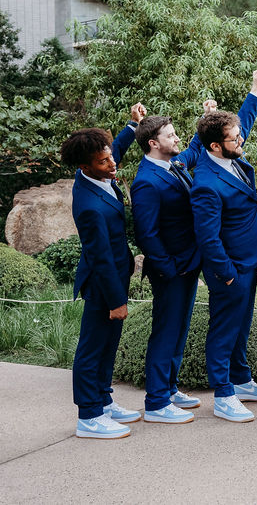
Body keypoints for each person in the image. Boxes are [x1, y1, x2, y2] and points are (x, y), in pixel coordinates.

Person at [131, 97, 223, 425]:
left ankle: (169, 387)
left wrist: (208, 116)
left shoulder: (174, 165)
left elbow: (197, 146)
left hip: (188, 263)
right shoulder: (145, 182)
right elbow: (147, 233)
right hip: (170, 269)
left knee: (180, 328)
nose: (177, 139)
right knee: (166, 331)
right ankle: (156, 402)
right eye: (171, 136)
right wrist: (168, 267)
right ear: (154, 143)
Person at [191, 69, 257, 422]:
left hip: (249, 259)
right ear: (214, 146)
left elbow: (241, 125)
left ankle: (241, 379)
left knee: (242, 324)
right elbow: (208, 237)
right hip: (229, 267)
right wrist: (224, 274)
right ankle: (223, 394)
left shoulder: (232, 158)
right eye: (234, 138)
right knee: (224, 328)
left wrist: (255, 92)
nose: (241, 140)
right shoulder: (206, 183)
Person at [64, 103, 145, 439]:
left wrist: (132, 124)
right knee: (93, 346)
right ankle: (89, 415)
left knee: (109, 344)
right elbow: (99, 258)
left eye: (111, 157)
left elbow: (116, 150)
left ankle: (104, 400)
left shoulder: (100, 171)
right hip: (102, 283)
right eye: (104, 161)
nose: (113, 164)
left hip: (115, 275)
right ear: (85, 166)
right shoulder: (89, 206)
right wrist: (116, 300)